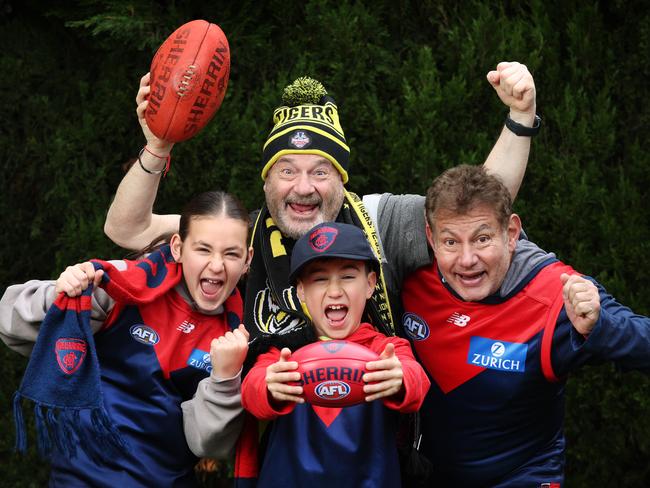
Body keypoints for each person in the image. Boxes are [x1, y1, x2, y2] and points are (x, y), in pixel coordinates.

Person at [103, 62, 539, 352]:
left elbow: (481, 205)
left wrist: (520, 118)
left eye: (321, 171)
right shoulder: (239, 238)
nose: (304, 188)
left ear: (342, 179)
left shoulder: (379, 220)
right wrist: (158, 145)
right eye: (287, 171)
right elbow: (128, 230)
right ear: (267, 181)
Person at [400, 165, 650, 487]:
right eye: (451, 242)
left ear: (512, 233)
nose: (466, 259)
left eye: (482, 238)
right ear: (431, 239)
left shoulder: (558, 293)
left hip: (523, 476)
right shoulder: (413, 279)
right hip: (430, 474)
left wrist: (602, 326)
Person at [0, 190, 253, 487]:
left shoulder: (238, 337)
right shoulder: (123, 284)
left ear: (247, 260)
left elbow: (208, 446)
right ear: (177, 248)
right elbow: (10, 324)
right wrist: (64, 295)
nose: (216, 265)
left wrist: (225, 379)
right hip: (78, 479)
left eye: (231, 254)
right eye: (203, 249)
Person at [241, 222, 430, 487]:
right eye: (319, 279)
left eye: (348, 276)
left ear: (370, 284)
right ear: (301, 291)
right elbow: (252, 391)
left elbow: (417, 381)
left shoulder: (386, 350)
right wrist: (269, 385)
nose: (334, 291)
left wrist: (400, 379)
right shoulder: (283, 352)